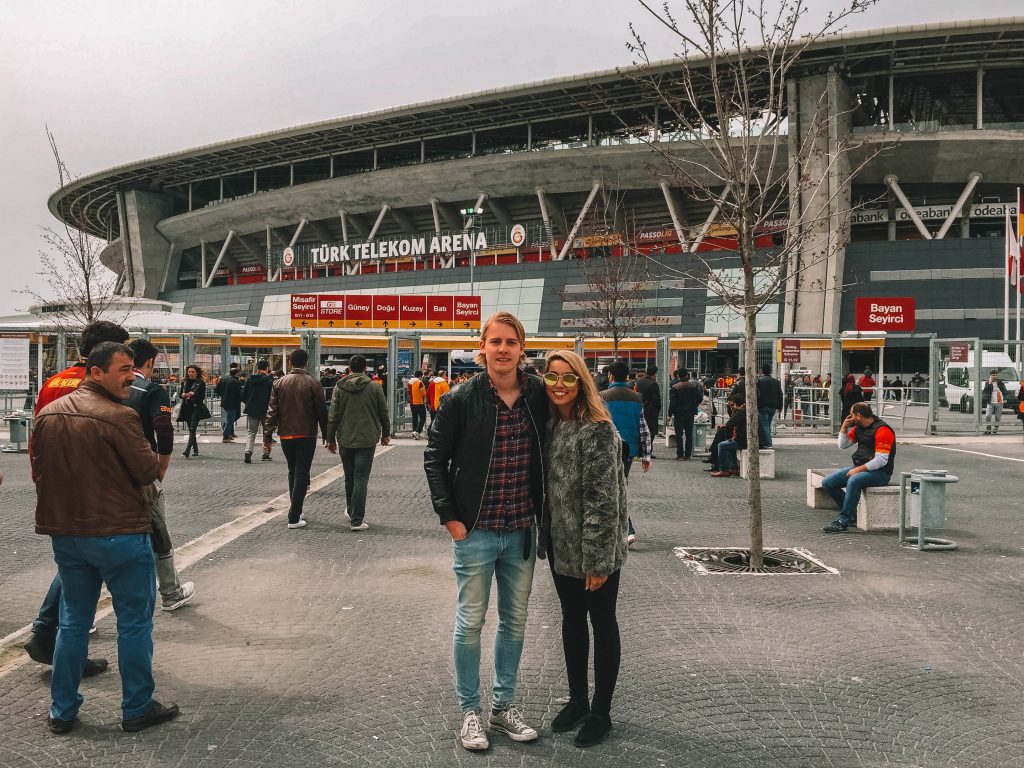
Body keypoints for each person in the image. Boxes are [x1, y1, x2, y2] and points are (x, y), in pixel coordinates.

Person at [32, 341, 179, 734]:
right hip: (119, 534)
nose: (132, 376)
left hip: (67, 534)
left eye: (132, 368)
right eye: (123, 369)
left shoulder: (48, 414)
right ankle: (137, 706)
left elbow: (40, 471)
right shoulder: (120, 417)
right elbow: (148, 470)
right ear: (95, 372)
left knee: (73, 623)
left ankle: (62, 710)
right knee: (133, 622)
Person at [423, 311, 547, 751]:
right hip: (475, 530)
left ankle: (503, 706)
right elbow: (434, 459)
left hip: (521, 532)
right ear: (482, 348)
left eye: (510, 342)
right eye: (495, 341)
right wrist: (451, 519)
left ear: (521, 348)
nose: (502, 349)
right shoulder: (462, 399)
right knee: (470, 623)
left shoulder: (538, 395)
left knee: (514, 623)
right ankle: (469, 712)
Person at [23, 320, 129, 674]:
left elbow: (37, 433)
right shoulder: (101, 385)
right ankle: (50, 637)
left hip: (54, 483)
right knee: (85, 565)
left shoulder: (54, 382)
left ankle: (45, 634)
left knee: (72, 561)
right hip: (93, 488)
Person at [541, 349, 628, 748]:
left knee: (602, 623)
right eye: (552, 377)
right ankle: (577, 700)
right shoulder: (551, 426)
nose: (559, 385)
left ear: (582, 382)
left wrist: (597, 560)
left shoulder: (596, 429)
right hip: (562, 549)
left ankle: (601, 711)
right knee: (572, 621)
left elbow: (602, 500)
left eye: (568, 377)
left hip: (596, 550)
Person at [126, 339, 196, 612]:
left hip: (106, 471)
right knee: (158, 529)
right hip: (143, 469)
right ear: (151, 362)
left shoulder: (102, 388)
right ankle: (171, 591)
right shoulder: (150, 390)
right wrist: (162, 465)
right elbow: (164, 429)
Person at [264, 349, 329, 529]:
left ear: (290, 362)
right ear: (306, 362)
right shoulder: (313, 383)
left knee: (292, 471)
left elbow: (272, 412)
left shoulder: (279, 383)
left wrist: (267, 436)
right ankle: (294, 515)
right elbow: (322, 412)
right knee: (302, 472)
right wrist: (327, 435)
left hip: (286, 433)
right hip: (307, 433)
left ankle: (297, 509)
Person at [325, 354, 391, 531]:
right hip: (367, 438)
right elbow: (383, 412)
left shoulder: (339, 387)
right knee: (361, 478)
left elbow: (333, 415)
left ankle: (351, 509)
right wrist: (386, 433)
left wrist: (330, 438)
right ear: (365, 369)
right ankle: (357, 520)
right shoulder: (374, 387)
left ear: (348, 368)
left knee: (349, 477)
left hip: (345, 438)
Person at [822, 402, 897, 533]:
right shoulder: (859, 428)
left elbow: (881, 460)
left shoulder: (883, 430)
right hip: (861, 467)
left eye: (851, 415)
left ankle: (843, 521)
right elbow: (843, 445)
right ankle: (852, 516)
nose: (849, 417)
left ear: (858, 416)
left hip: (881, 473)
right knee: (828, 482)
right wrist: (844, 428)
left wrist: (857, 470)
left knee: (854, 480)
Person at [600, 361, 651, 546]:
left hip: (607, 448)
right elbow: (643, 428)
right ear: (628, 376)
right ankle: (623, 529)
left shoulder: (602, 396)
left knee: (614, 489)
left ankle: (627, 530)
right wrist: (646, 455)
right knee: (619, 486)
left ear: (611, 376)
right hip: (629, 451)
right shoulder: (637, 397)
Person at [241, 359, 274, 463]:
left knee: (251, 432)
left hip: (252, 409)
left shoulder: (249, 380)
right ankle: (265, 454)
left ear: (257, 368)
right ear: (267, 369)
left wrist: (249, 403)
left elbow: (243, 396)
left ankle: (248, 451)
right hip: (266, 410)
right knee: (266, 432)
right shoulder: (269, 381)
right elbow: (272, 398)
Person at [668, 368, 702, 460]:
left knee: (679, 435)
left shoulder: (675, 387)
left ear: (678, 376)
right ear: (687, 375)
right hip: (690, 412)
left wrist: (669, 414)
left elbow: (673, 402)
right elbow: (699, 398)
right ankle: (688, 454)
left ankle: (680, 454)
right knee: (689, 433)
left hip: (679, 413)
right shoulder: (693, 386)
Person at [711, 394, 747, 478]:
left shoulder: (741, 412)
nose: (731, 407)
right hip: (746, 438)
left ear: (737, 404)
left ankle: (724, 469)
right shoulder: (745, 411)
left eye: (732, 405)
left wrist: (730, 437)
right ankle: (733, 467)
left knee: (722, 445)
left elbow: (729, 425)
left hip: (744, 440)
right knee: (729, 443)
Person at [178, 365, 209, 458]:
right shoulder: (184, 382)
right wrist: (183, 395)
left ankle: (187, 450)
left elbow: (202, 397)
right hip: (186, 407)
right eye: (189, 372)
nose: (190, 373)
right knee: (191, 430)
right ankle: (195, 449)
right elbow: (180, 394)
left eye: (192, 372)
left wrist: (194, 394)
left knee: (192, 428)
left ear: (196, 373)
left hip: (196, 407)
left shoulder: (201, 383)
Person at [634, 365, 662, 450]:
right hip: (651, 410)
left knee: (641, 430)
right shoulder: (653, 383)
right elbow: (657, 399)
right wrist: (657, 410)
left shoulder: (639, 382)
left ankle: (640, 450)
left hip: (640, 408)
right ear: (654, 373)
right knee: (651, 431)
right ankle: (648, 450)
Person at [756, 364, 783, 448]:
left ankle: (768, 443)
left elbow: (757, 394)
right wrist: (780, 406)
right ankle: (766, 441)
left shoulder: (759, 381)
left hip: (763, 406)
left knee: (764, 425)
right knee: (768, 424)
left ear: (762, 371)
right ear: (770, 371)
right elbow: (780, 394)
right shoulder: (776, 381)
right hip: (773, 406)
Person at [214, 364, 242, 442]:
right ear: (236, 374)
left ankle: (229, 433)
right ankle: (226, 435)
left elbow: (217, 390)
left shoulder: (223, 379)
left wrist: (223, 395)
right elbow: (239, 393)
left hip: (225, 402)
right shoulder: (236, 381)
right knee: (230, 419)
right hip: (233, 402)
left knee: (229, 418)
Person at [982, 369, 1009, 435]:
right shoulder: (987, 383)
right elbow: (985, 391)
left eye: (996, 375)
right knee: (988, 416)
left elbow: (1005, 391)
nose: (994, 376)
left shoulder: (1000, 382)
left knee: (998, 417)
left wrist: (1005, 398)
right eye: (993, 375)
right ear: (990, 376)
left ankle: (995, 430)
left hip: (999, 402)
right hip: (990, 402)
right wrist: (990, 383)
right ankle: (988, 430)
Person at [406, 369, 427, 439]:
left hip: (412, 403)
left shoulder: (409, 382)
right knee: (423, 417)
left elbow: (408, 392)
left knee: (414, 417)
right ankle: (417, 431)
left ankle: (414, 432)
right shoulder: (419, 382)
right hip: (419, 402)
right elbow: (423, 393)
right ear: (420, 376)